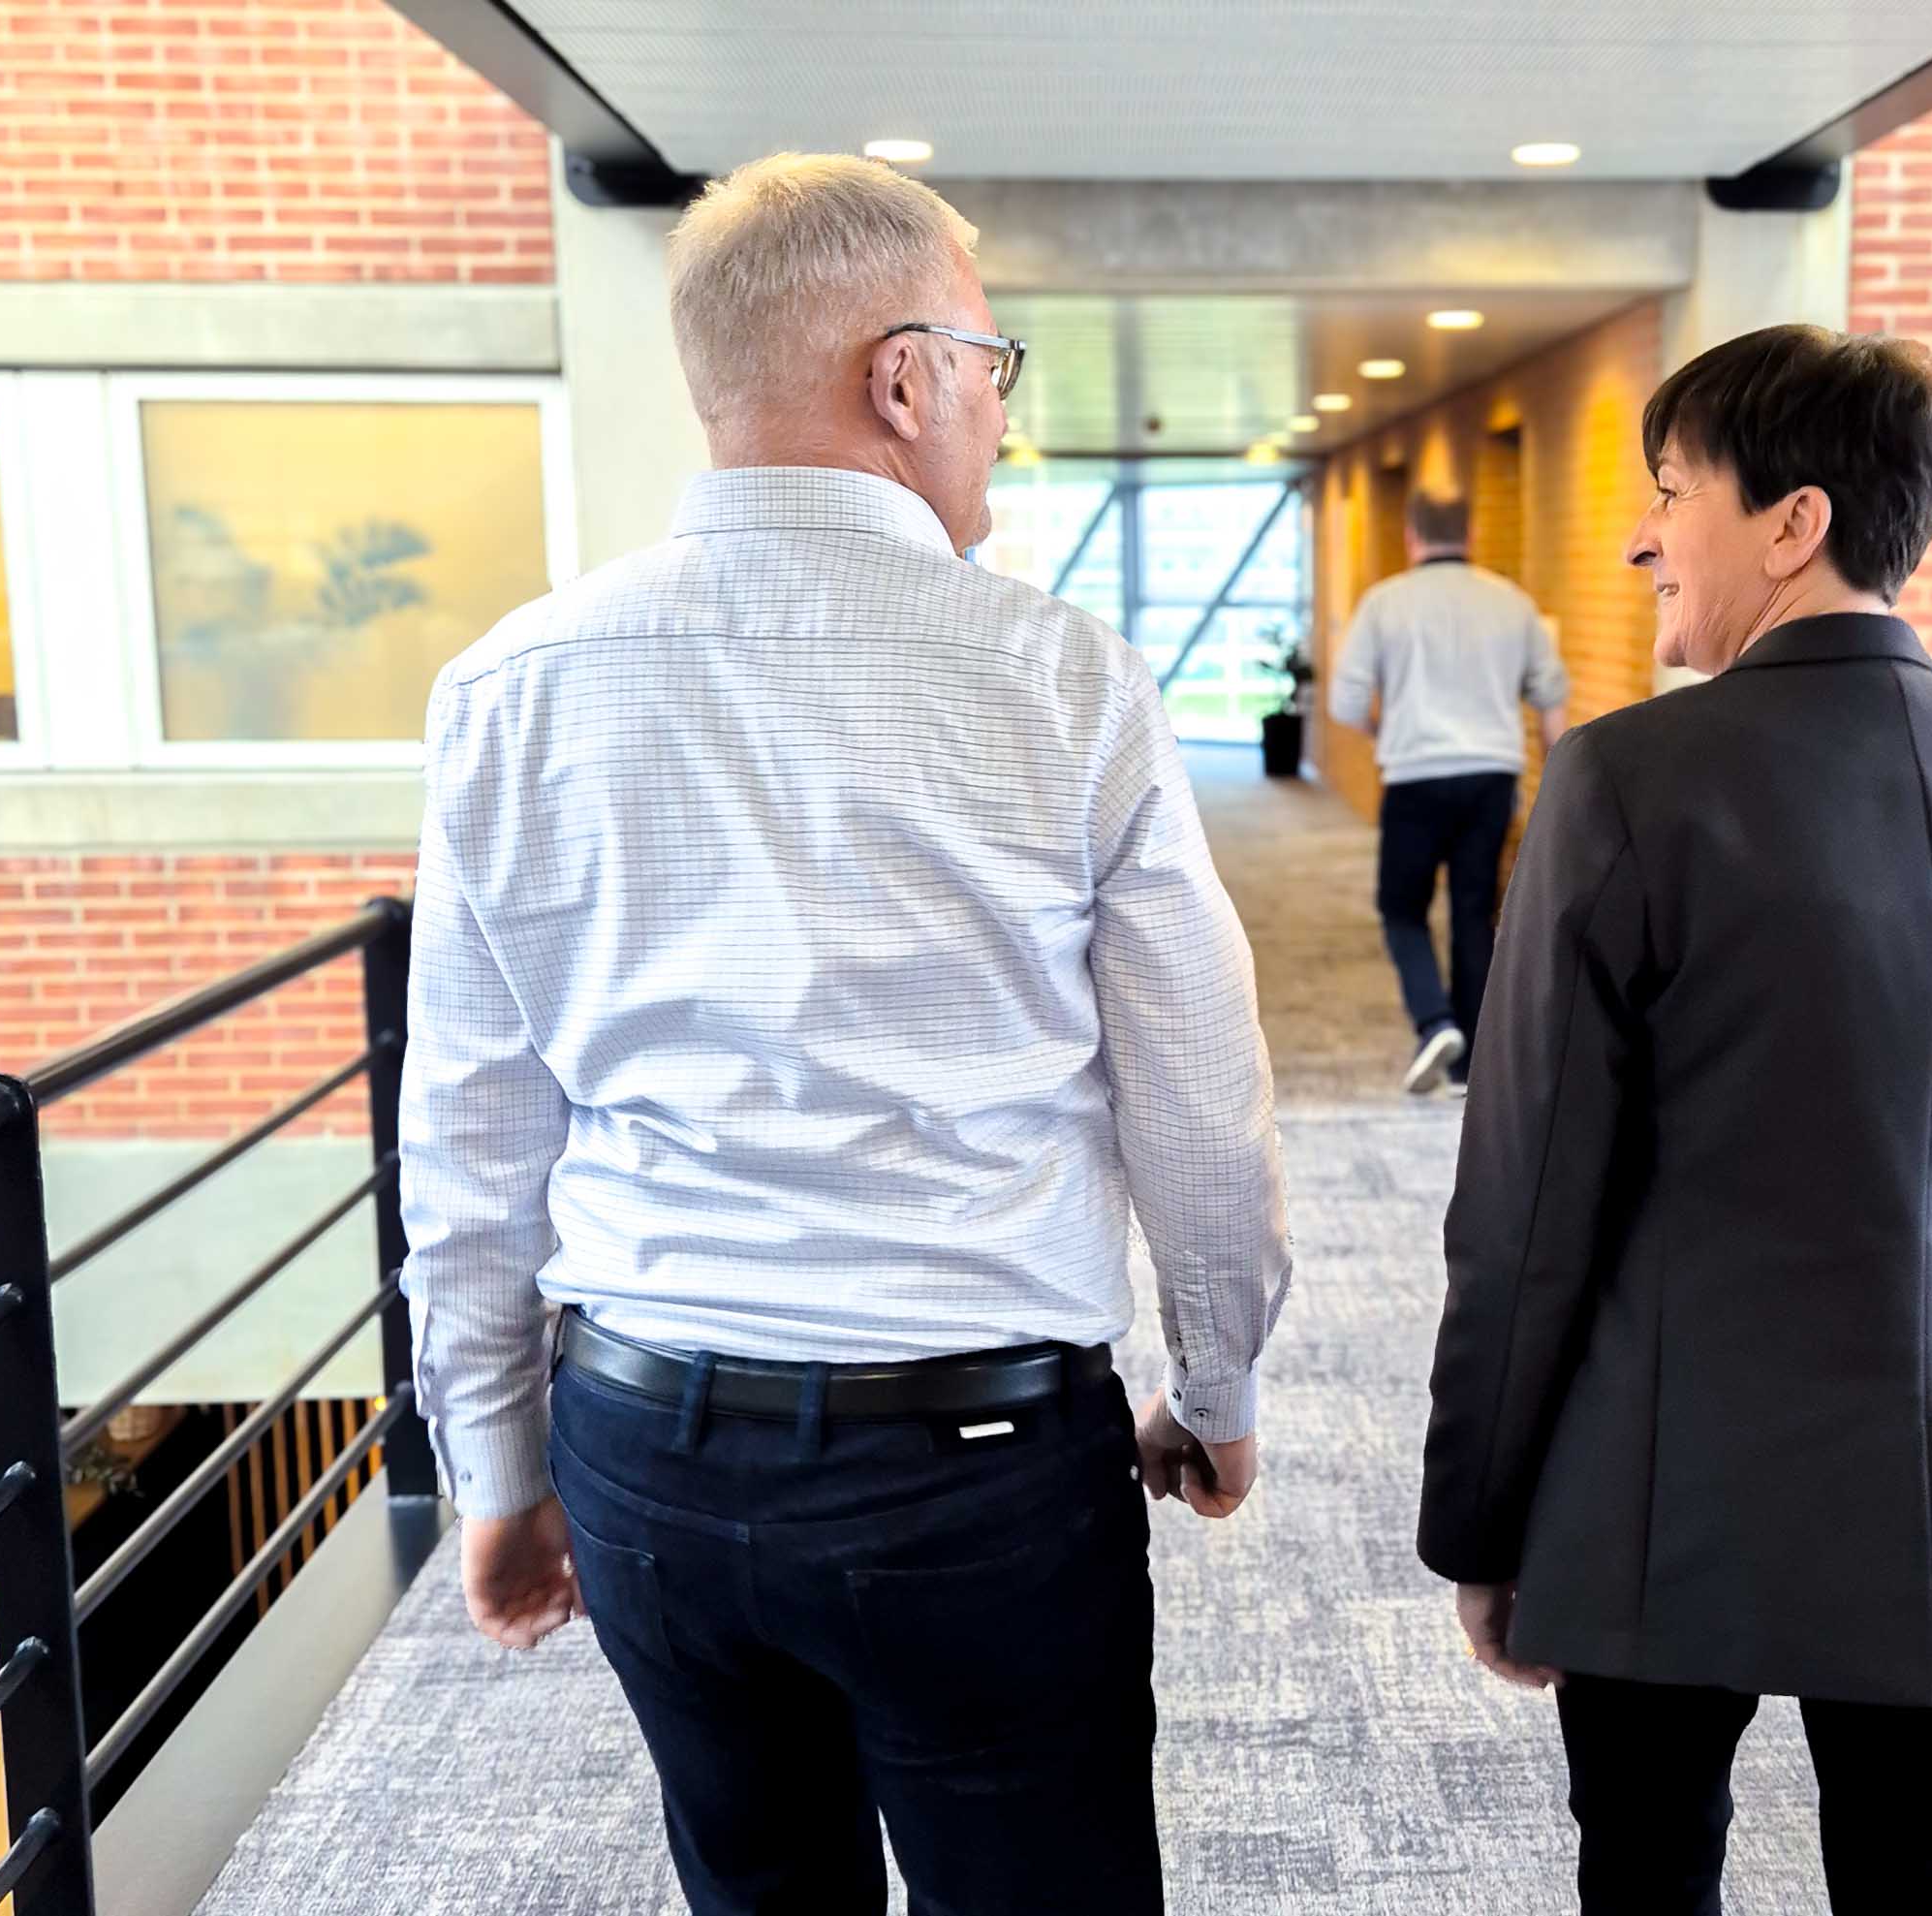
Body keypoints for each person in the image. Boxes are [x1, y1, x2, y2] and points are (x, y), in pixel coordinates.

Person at [397, 152, 1293, 1916]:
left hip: (644, 1446)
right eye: (992, 365)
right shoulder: (1067, 680)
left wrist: (492, 1465)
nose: (999, 414)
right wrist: (1217, 1386)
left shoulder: (510, 684)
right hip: (975, 1472)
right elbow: (1198, 1102)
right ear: (903, 380)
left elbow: (474, 1132)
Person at [1418, 326, 1932, 1916]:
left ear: (1794, 523)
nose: (1644, 537)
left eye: (1673, 492)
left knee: (1650, 1881)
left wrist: (1483, 1523)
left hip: (1661, 1487)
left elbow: (1527, 1206)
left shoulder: (1626, 782)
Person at [1326, 490, 1570, 1096]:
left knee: (1402, 908)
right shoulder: (1513, 603)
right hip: (1491, 776)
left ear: (1412, 536)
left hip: (1414, 776)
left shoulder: (1384, 603)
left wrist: (1388, 732)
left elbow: (1345, 702)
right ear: (1471, 533)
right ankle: (1469, 1065)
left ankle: (1435, 1022)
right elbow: (1551, 700)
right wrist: (1561, 783)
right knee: (1472, 909)